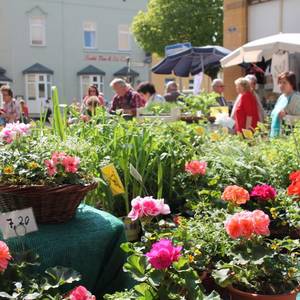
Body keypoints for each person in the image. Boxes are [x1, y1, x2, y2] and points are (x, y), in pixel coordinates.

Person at [270, 71, 300, 137]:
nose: (281, 85)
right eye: (280, 83)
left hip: (290, 138)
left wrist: (286, 117)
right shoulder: (281, 97)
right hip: (277, 135)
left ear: (292, 84)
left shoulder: (296, 98)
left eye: (284, 83)